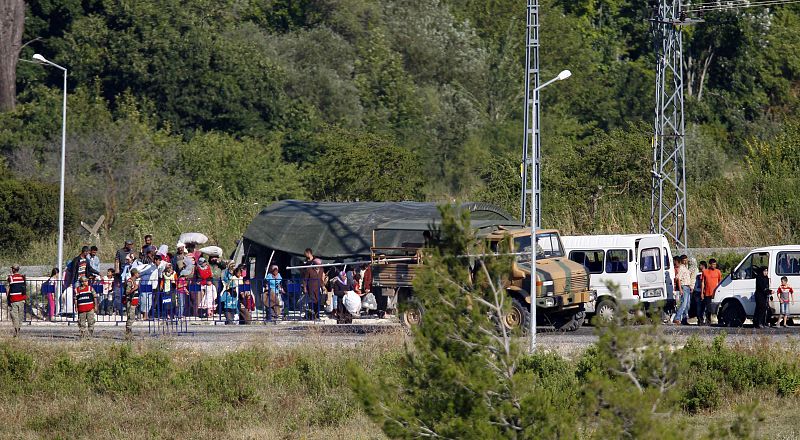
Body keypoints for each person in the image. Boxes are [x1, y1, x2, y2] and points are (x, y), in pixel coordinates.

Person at [699, 258, 723, 326]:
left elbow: (720, 282)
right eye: (713, 264)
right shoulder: (705, 272)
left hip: (715, 293)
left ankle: (720, 320)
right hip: (707, 292)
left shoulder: (718, 271)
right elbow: (703, 282)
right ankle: (708, 320)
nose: (714, 266)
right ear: (710, 264)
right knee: (708, 308)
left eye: (715, 264)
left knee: (718, 307)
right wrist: (702, 293)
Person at [7, 264, 27, 337]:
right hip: (22, 298)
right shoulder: (22, 277)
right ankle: (18, 328)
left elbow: (8, 287)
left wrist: (8, 298)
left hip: (14, 299)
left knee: (14, 315)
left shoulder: (11, 278)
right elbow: (24, 286)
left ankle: (16, 330)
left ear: (13, 270)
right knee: (20, 315)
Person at [673, 255, 693, 325]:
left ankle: (684, 319)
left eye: (686, 260)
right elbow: (678, 278)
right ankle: (677, 318)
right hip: (684, 286)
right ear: (681, 260)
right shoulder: (681, 268)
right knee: (683, 304)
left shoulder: (685, 268)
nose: (685, 261)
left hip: (687, 286)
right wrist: (680, 289)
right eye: (684, 260)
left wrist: (690, 286)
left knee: (687, 305)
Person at [123, 268, 141, 339]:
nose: (138, 274)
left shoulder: (134, 281)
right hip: (130, 302)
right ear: (135, 274)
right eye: (137, 273)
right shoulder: (130, 282)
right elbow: (127, 292)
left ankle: (129, 334)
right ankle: (128, 335)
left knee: (132, 318)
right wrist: (134, 288)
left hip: (134, 302)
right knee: (130, 318)